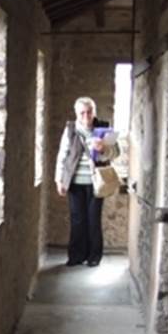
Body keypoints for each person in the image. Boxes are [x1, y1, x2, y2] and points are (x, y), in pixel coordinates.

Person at [55, 96, 119, 267]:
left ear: (94, 112)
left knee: (93, 220)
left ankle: (94, 256)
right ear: (76, 113)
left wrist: (104, 149)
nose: (86, 116)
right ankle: (76, 256)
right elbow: (62, 156)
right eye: (82, 112)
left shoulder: (104, 128)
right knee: (77, 220)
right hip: (74, 183)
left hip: (96, 183)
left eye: (89, 112)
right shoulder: (70, 130)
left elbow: (116, 153)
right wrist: (59, 180)